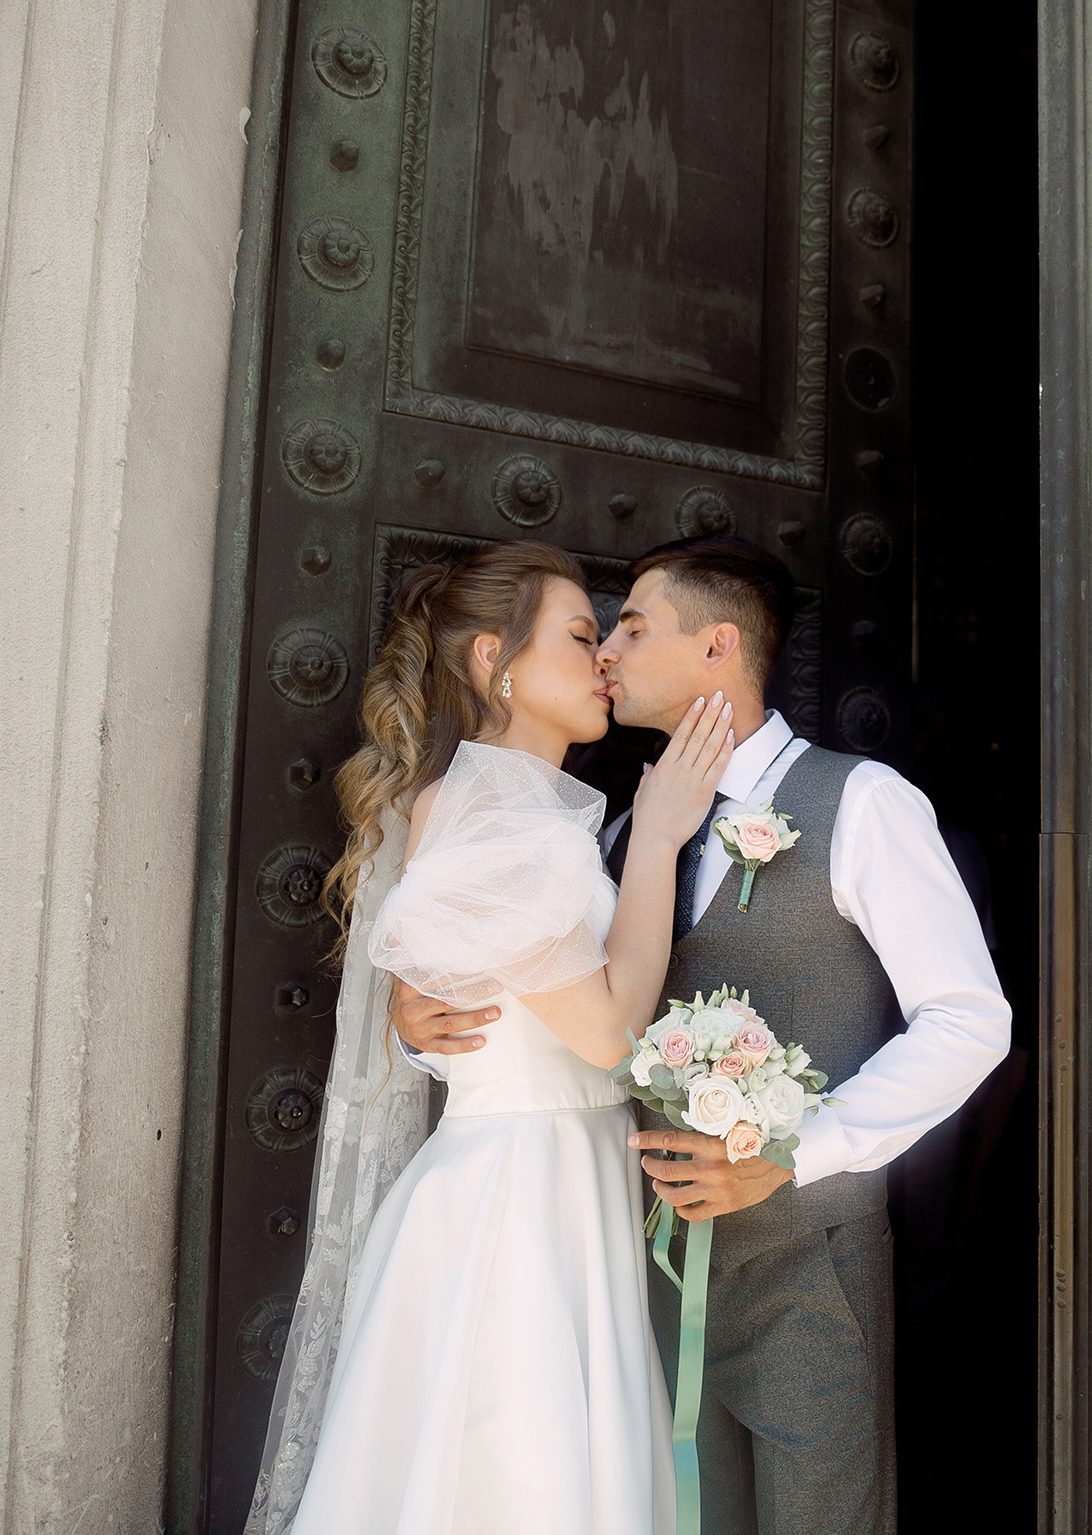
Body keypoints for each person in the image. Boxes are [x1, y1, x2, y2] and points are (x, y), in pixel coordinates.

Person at [400, 536, 1012, 1535]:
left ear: (718, 644)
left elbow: (968, 1019)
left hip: (806, 1269)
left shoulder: (860, 799)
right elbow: (566, 1010)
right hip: (638, 1271)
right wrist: (429, 1015)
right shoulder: (613, 833)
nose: (607, 651)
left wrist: (793, 1149)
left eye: (633, 628)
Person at [247, 539, 736, 1535]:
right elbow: (605, 1033)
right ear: (490, 658)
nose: (603, 658)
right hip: (516, 1202)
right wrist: (655, 839)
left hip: (562, 1174)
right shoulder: (491, 811)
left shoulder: (519, 810)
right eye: (581, 635)